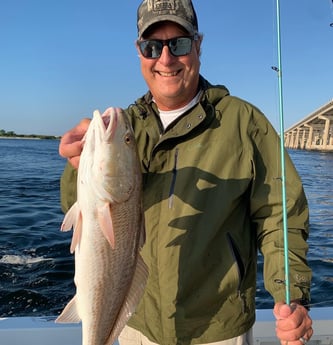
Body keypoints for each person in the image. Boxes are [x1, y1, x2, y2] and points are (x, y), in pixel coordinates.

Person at [59, 1, 313, 344]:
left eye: (178, 44)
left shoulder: (243, 123)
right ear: (139, 53)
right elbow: (78, 210)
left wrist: (291, 295)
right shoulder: (128, 126)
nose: (165, 59)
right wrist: (77, 166)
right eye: (151, 47)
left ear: (198, 45)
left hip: (219, 329)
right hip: (136, 324)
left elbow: (281, 215)